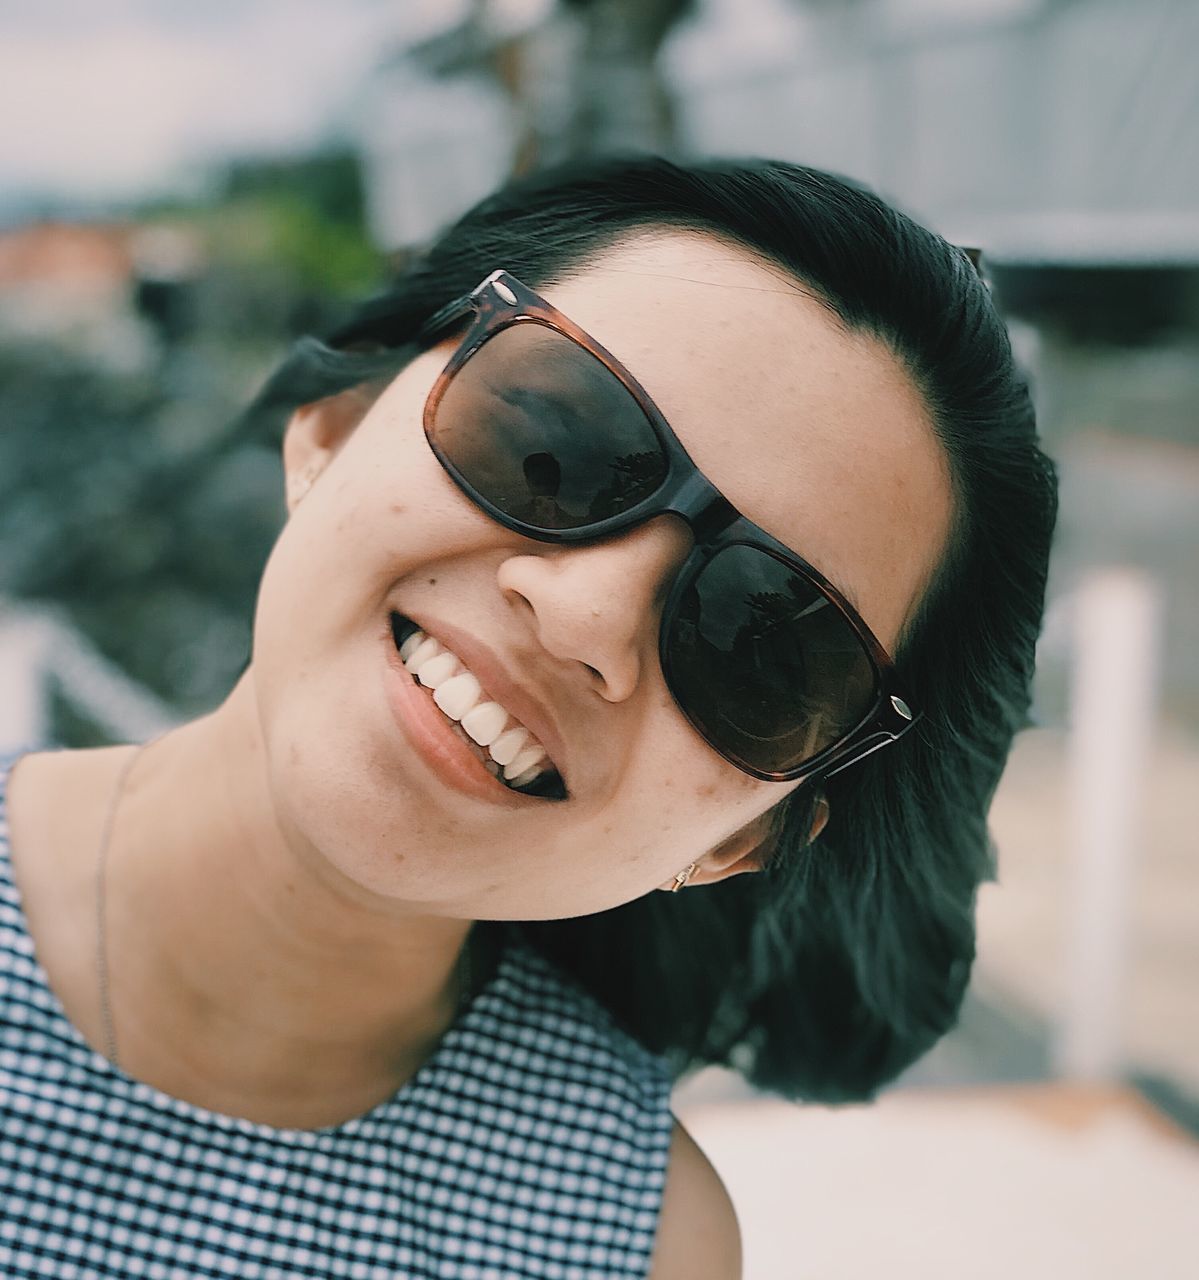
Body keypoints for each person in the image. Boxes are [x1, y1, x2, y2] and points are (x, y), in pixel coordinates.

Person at [0, 154, 1057, 1279]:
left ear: (745, 835)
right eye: (549, 440)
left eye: (763, 642)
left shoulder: (637, 1237)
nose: (582, 616)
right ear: (335, 422)